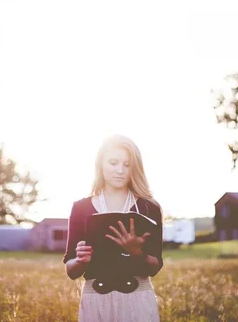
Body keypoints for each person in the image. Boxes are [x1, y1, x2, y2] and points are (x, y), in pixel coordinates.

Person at [63, 134, 163, 321]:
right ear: (100, 164)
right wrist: (81, 261)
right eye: (113, 162)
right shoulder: (80, 208)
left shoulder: (149, 207)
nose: (120, 170)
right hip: (95, 300)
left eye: (127, 164)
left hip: (138, 298)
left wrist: (137, 253)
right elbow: (71, 270)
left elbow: (155, 266)